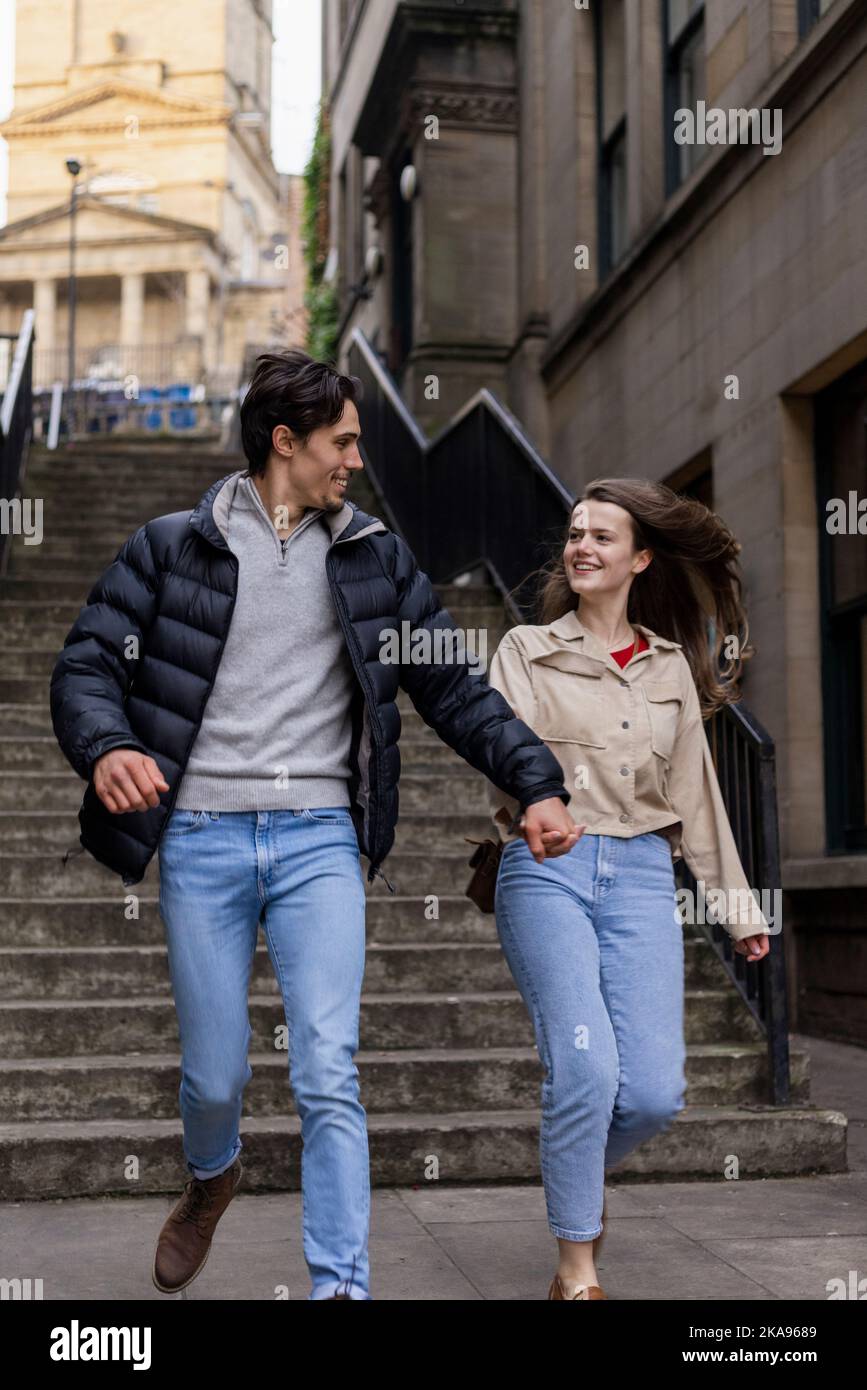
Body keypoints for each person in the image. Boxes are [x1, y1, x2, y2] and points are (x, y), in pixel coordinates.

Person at [49, 349, 580, 1301]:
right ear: (284, 442)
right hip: (205, 838)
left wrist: (535, 781)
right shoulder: (174, 546)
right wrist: (107, 748)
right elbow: (88, 666)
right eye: (341, 442)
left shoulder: (374, 555)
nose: (355, 461)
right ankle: (212, 1177)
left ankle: (340, 1289)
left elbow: (453, 688)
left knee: (328, 1069)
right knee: (215, 1079)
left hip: (319, 842)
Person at [484, 478, 771, 1301]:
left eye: (601, 537)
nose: (580, 546)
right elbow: (498, 758)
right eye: (574, 533)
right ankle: (577, 1272)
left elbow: (697, 796)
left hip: (644, 876)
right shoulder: (524, 651)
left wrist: (736, 907)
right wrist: (533, 806)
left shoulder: (669, 665)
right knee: (584, 1072)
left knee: (650, 1093)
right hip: (548, 871)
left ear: (639, 559)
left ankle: (569, 1166)